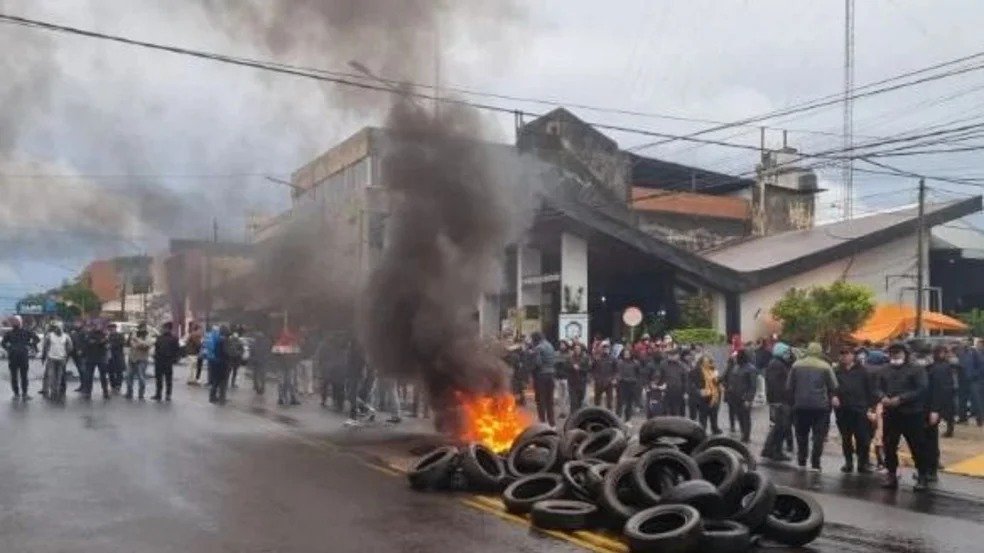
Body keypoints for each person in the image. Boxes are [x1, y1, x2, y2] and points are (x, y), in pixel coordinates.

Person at [877, 341, 929, 491]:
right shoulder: (884, 370)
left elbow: (921, 389)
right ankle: (891, 475)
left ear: (906, 354)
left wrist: (901, 399)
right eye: (892, 353)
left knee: (917, 446)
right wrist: (882, 397)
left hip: (912, 414)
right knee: (889, 446)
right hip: (891, 414)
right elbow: (877, 388)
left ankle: (922, 476)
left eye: (898, 353)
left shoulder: (917, 370)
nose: (895, 356)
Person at [787, 342, 838, 471]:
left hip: (800, 406)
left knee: (801, 435)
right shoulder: (825, 366)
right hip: (820, 407)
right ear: (820, 352)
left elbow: (789, 386)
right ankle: (815, 463)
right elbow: (834, 385)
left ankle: (802, 461)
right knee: (818, 436)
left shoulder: (796, 365)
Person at [833, 347, 877, 473]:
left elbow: (871, 390)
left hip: (860, 409)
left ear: (853, 356)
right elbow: (831, 387)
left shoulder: (863, 371)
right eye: (842, 354)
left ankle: (862, 463)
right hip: (843, 410)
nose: (844, 356)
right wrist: (833, 396)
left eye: (847, 354)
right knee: (846, 438)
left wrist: (871, 408)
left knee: (863, 438)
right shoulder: (836, 371)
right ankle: (848, 462)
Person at [924, 344, 956, 483]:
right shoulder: (943, 367)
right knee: (931, 437)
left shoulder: (937, 368)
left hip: (931, 407)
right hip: (937, 406)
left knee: (929, 438)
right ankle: (932, 465)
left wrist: (935, 409)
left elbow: (938, 389)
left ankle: (931, 468)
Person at [761, 342, 795, 461]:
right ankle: (774, 450)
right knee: (781, 426)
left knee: (780, 426)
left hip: (780, 400)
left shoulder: (779, 363)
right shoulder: (777, 364)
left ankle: (770, 449)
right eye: (786, 352)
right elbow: (775, 384)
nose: (788, 354)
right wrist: (779, 400)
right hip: (780, 401)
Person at [723, 349, 757, 444]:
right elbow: (732, 380)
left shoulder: (751, 369)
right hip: (735, 397)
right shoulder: (736, 367)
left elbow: (753, 386)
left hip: (744, 397)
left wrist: (748, 399)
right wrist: (729, 388)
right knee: (739, 416)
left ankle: (746, 435)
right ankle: (743, 432)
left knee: (746, 417)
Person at [2, 316, 39, 400]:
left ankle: (24, 394)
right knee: (15, 376)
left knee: (23, 376)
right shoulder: (9, 333)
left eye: (17, 322)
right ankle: (17, 394)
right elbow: (3, 343)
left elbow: (37, 339)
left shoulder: (26, 332)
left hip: (22, 357)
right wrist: (9, 349)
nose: (15, 323)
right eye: (14, 322)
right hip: (14, 357)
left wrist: (29, 345)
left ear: (20, 323)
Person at [41, 321, 72, 402]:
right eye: (56, 327)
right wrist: (45, 355)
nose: (58, 329)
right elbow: (45, 346)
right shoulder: (49, 336)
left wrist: (66, 355)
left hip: (61, 359)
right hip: (51, 358)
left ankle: (56, 390)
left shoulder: (66, 336)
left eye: (59, 327)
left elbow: (70, 347)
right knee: (51, 375)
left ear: (62, 328)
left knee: (59, 376)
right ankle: (53, 390)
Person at [530, 332, 557, 426]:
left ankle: (542, 422)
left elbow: (537, 363)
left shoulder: (538, 348)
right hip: (551, 375)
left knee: (540, 400)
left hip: (541, 376)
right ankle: (552, 423)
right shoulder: (550, 346)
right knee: (550, 400)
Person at [692, 354, 722, 434]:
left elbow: (717, 382)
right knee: (703, 416)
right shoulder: (697, 370)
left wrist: (717, 377)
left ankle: (714, 428)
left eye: (709, 361)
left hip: (714, 395)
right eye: (706, 361)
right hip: (704, 396)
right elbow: (693, 383)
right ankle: (702, 430)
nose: (708, 363)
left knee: (714, 414)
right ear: (702, 362)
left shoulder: (713, 370)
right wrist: (699, 391)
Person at [272, 325, 301, 406]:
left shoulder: (291, 344)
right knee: (288, 383)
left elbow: (297, 354)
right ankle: (288, 398)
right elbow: (297, 355)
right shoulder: (281, 344)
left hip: (286, 366)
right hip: (285, 366)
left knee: (287, 383)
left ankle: (286, 398)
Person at [152, 322, 181, 401]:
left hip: (165, 360)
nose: (163, 329)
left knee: (165, 379)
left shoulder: (170, 338)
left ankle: (164, 394)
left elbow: (177, 350)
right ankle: (162, 394)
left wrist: (174, 359)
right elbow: (156, 348)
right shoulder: (162, 338)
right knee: (161, 379)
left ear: (168, 329)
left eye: (164, 328)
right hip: (162, 360)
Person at [957, 339, 984, 426]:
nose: (962, 344)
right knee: (962, 399)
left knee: (976, 400)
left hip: (973, 380)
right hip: (963, 380)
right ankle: (962, 418)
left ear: (969, 343)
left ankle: (979, 419)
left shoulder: (974, 352)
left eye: (964, 342)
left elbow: (980, 365)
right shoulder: (961, 353)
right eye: (961, 343)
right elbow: (960, 365)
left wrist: (974, 375)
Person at [81, 323, 111, 400]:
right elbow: (89, 343)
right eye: (96, 326)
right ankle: (88, 392)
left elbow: (107, 345)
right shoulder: (89, 334)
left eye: (99, 325)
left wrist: (101, 342)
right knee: (89, 376)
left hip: (101, 357)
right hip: (91, 358)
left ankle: (105, 391)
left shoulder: (103, 335)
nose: (98, 327)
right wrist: (101, 342)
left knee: (103, 376)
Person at [657, 347, 688, 417]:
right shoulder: (663, 364)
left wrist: (686, 392)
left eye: (674, 355)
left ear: (678, 356)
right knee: (665, 412)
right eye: (670, 355)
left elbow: (685, 380)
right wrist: (660, 386)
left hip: (678, 392)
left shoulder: (682, 366)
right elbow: (659, 377)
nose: (671, 356)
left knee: (677, 412)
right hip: (666, 392)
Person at [125, 323, 152, 400]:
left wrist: (137, 340)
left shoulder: (147, 336)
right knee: (128, 376)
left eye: (143, 328)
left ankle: (141, 394)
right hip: (132, 358)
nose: (141, 330)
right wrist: (139, 344)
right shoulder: (133, 335)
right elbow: (132, 345)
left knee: (141, 377)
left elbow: (147, 345)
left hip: (142, 360)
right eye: (140, 328)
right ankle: (129, 393)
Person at [615, 347, 640, 423]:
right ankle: (617, 419)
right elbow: (617, 372)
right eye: (625, 354)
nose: (626, 355)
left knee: (629, 404)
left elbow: (638, 374)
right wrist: (618, 378)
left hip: (631, 385)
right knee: (620, 403)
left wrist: (635, 381)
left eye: (628, 354)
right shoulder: (620, 362)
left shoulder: (635, 363)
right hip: (622, 384)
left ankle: (627, 420)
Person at [209, 325, 233, 404]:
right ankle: (222, 398)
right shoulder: (225, 341)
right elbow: (227, 352)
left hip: (216, 362)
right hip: (224, 364)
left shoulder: (218, 340)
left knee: (216, 381)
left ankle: (212, 396)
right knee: (223, 382)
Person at [591, 340, 615, 409]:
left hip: (609, 382)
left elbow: (616, 371)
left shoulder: (612, 359)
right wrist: (594, 378)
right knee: (597, 401)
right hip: (599, 382)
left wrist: (614, 378)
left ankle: (609, 416)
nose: (605, 350)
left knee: (609, 402)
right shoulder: (597, 358)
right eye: (604, 348)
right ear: (602, 349)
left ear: (609, 349)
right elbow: (592, 370)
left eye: (607, 348)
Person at [568, 342, 590, 412]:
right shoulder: (570, 358)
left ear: (581, 349)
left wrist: (579, 368)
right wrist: (572, 367)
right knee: (573, 402)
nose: (577, 350)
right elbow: (566, 368)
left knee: (581, 401)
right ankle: (573, 417)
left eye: (578, 349)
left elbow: (588, 369)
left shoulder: (585, 358)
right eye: (575, 349)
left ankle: (579, 416)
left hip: (582, 382)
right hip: (572, 383)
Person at [249, 328, 272, 395]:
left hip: (258, 362)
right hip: (260, 362)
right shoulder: (265, 343)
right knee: (260, 375)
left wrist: (252, 359)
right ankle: (260, 387)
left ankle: (259, 387)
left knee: (258, 375)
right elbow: (268, 352)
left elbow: (252, 352)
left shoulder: (255, 343)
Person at [106, 323, 127, 393]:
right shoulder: (108, 336)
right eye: (110, 329)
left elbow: (122, 343)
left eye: (112, 328)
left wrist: (111, 345)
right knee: (110, 372)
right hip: (110, 356)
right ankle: (113, 385)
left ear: (115, 328)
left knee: (119, 372)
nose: (111, 330)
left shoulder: (120, 335)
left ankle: (118, 385)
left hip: (118, 356)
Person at [554, 340, 571, 417]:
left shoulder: (570, 354)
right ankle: (562, 411)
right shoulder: (556, 354)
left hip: (566, 378)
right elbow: (554, 365)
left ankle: (566, 410)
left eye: (563, 345)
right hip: (558, 377)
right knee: (560, 395)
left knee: (566, 395)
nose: (562, 346)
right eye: (561, 345)